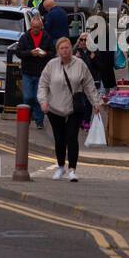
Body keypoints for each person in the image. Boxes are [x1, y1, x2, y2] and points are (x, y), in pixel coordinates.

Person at [37, 36, 102, 181]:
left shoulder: (80, 64)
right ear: (58, 51)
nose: (65, 50)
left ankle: (72, 169)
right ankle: (60, 167)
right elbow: (43, 85)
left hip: (75, 108)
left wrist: (95, 103)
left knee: (72, 138)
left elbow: (89, 85)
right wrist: (43, 102)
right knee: (59, 139)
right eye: (62, 48)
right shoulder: (51, 65)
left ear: (70, 49)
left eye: (67, 47)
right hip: (54, 108)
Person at [13, 13, 53, 129]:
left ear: (41, 27)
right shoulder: (25, 37)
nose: (35, 30)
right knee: (27, 97)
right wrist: (30, 53)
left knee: (38, 98)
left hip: (41, 73)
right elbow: (18, 52)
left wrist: (45, 54)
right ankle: (27, 117)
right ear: (31, 26)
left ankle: (39, 121)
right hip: (28, 72)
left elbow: (52, 52)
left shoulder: (46, 37)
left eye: (38, 28)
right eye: (34, 27)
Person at [76, 28, 116, 129]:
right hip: (78, 81)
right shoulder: (76, 52)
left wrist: (93, 59)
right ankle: (81, 119)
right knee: (80, 101)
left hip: (91, 80)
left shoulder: (94, 51)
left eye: (85, 40)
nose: (83, 42)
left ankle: (86, 121)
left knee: (88, 101)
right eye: (81, 40)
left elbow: (100, 67)